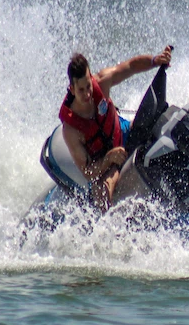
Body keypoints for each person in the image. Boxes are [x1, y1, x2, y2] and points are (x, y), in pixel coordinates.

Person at [59, 46, 173, 213]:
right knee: (102, 195)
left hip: (124, 133)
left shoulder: (102, 82)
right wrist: (109, 159)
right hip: (104, 164)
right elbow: (88, 172)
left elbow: (131, 66)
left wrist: (155, 60)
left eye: (88, 86)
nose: (87, 94)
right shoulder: (70, 130)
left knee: (159, 127)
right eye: (81, 90)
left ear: (91, 78)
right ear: (72, 89)